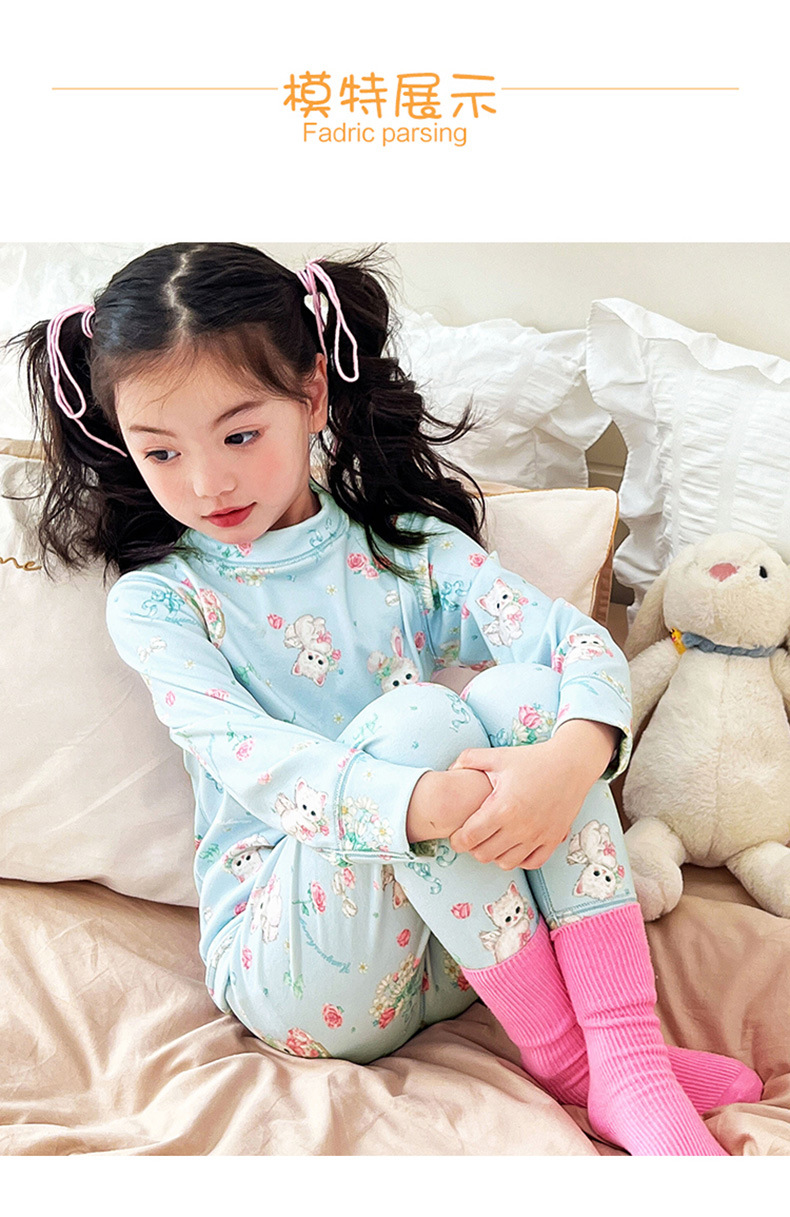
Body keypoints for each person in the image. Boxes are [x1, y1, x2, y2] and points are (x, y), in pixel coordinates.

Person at [7, 242, 762, 1156]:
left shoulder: (406, 551)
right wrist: (426, 802)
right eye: (162, 450)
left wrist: (573, 759)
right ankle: (570, 1059)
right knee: (421, 721)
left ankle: (621, 1052)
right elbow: (255, 759)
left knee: (531, 693)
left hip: (464, 954)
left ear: (312, 395)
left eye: (240, 435)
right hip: (302, 976)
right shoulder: (162, 603)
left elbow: (572, 643)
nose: (207, 483)